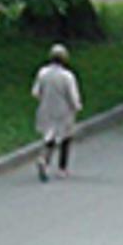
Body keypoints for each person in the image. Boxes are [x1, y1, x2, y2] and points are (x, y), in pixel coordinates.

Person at [33, 44, 82, 180]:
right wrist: (76, 106)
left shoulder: (42, 73)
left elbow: (36, 92)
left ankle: (44, 159)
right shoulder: (67, 76)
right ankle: (62, 168)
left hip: (46, 108)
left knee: (49, 135)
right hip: (63, 110)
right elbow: (72, 96)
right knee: (66, 136)